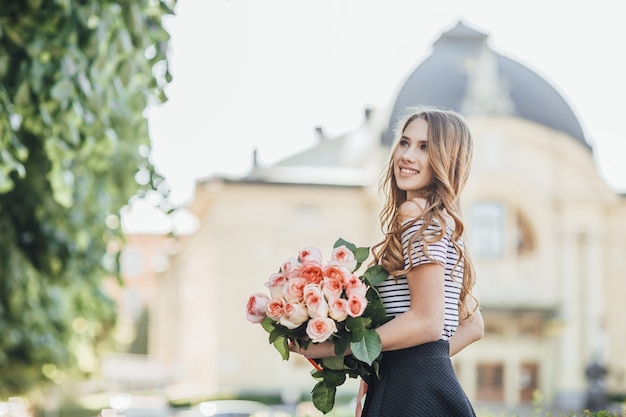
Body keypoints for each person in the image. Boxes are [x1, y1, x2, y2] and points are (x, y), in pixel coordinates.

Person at [290, 105, 484, 416]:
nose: (407, 155)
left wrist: (331, 348)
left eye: (425, 148)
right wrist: (388, 361)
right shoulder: (445, 222)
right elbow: (473, 325)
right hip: (428, 386)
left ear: (446, 160)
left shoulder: (416, 216)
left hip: (410, 392)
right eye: (405, 142)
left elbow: (427, 322)